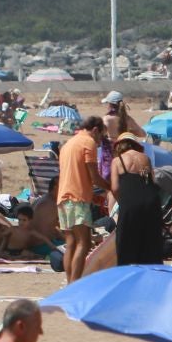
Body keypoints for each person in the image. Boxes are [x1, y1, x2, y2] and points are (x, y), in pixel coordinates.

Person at [58, 117, 106, 282]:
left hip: (63, 197)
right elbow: (95, 177)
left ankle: (70, 282)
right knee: (83, 243)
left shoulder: (68, 144)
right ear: (95, 130)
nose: (100, 142)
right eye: (100, 136)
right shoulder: (88, 142)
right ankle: (74, 283)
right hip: (77, 197)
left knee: (71, 242)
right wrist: (112, 187)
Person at [109, 133, 163, 266]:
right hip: (152, 201)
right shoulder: (146, 158)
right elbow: (153, 182)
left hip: (130, 202)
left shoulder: (117, 161)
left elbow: (115, 188)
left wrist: (121, 201)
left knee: (126, 240)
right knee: (150, 240)